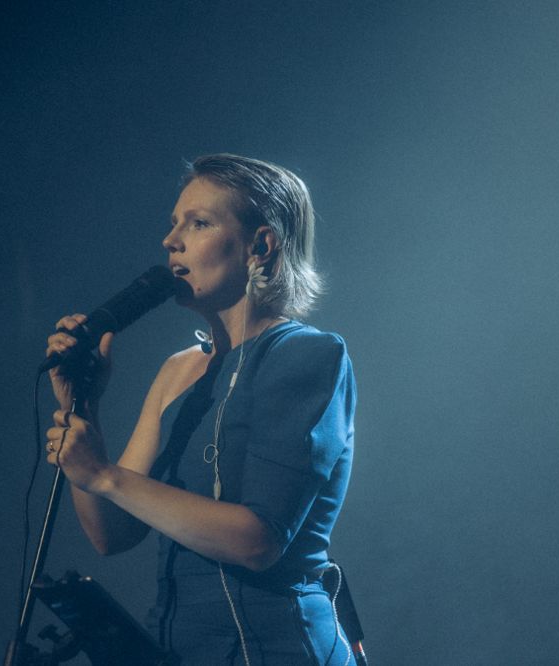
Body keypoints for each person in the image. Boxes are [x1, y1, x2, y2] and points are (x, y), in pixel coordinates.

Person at [43, 154, 357, 665]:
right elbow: (113, 533)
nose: (171, 240)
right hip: (177, 649)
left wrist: (102, 474)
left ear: (260, 246)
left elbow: (258, 543)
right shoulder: (177, 370)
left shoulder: (306, 355)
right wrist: (85, 407)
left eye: (199, 223)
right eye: (174, 224)